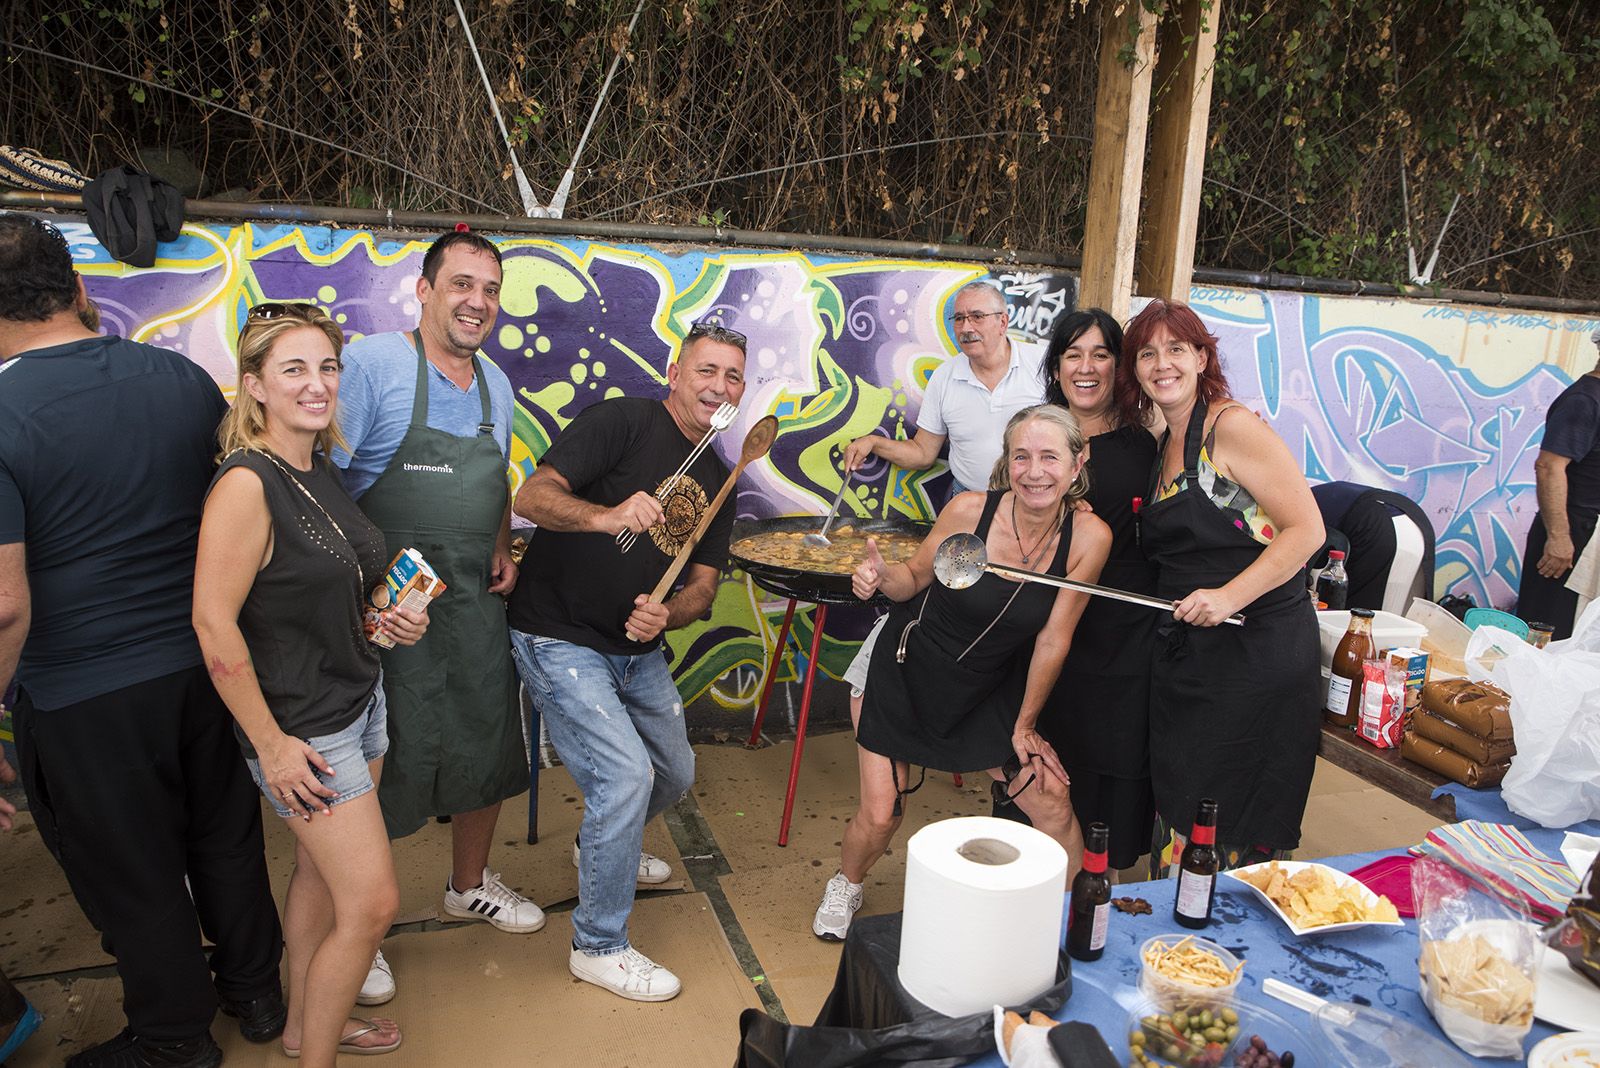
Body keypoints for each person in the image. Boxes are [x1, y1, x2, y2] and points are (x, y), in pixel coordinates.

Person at [0, 213, 284, 1068]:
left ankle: (172, 1039)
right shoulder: (183, 381)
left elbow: (5, 605)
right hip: (205, 663)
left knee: (135, 868)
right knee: (224, 837)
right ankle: (258, 994)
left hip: (83, 692)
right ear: (81, 290)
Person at [194, 303, 431, 1063]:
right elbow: (213, 623)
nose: (317, 383)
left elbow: (317, 594)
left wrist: (386, 619)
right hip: (305, 731)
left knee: (321, 882)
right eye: (293, 368)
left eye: (326, 366)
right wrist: (272, 746)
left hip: (358, 701)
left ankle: (304, 1026)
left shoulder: (315, 467)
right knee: (373, 905)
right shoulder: (247, 484)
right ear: (255, 385)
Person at [507, 320, 748, 1001]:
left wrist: (668, 614)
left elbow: (702, 585)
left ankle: (600, 849)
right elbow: (531, 496)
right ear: (676, 371)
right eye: (707, 370)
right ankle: (598, 945)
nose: (719, 386)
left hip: (637, 649)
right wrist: (604, 516)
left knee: (674, 772)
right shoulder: (624, 421)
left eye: (733, 375)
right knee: (625, 777)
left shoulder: (721, 474)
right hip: (559, 635)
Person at [813, 404, 1112, 941]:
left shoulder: (1090, 537)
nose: (1034, 471)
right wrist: (881, 577)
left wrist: (1024, 725)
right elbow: (911, 581)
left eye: (1049, 457)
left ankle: (1074, 917)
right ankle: (847, 880)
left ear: (1077, 463)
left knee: (1051, 800)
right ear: (1007, 461)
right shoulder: (968, 513)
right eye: (1021, 456)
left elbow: (1054, 636)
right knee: (882, 815)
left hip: (986, 689)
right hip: (905, 671)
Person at [333, 229, 538, 1003]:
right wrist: (354, 595)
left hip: (471, 604)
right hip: (383, 611)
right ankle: (365, 926)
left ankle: (469, 883)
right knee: (386, 757)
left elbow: (497, 482)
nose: (476, 302)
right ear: (422, 291)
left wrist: (501, 543)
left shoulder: (498, 386)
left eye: (489, 289)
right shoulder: (373, 367)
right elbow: (323, 484)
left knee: (487, 734)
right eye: (460, 285)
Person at [1117, 299, 1325, 873]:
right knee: (1182, 799)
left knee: (1231, 816)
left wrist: (1228, 596)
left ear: (1202, 356)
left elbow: (1307, 530)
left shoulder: (1231, 428)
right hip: (1194, 659)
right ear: (1134, 369)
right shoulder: (1167, 441)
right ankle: (1178, 935)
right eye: (1148, 353)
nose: (1163, 364)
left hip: (1255, 655)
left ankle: (1223, 944)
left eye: (1177, 349)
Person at [1010, 308, 1159, 877]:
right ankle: (1040, 897)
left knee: (1106, 786)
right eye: (1073, 354)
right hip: (1045, 630)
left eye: (1101, 354)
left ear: (1118, 367)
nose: (1086, 367)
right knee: (1042, 767)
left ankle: (1103, 903)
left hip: (1120, 639)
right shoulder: (1037, 436)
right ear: (1056, 365)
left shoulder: (1143, 447)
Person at [841, 279, 1046, 500]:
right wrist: (873, 443)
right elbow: (922, 453)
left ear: (1002, 322)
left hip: (1037, 500)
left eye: (977, 317)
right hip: (970, 502)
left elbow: (1078, 432)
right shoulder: (944, 377)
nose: (966, 328)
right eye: (959, 319)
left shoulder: (1043, 364)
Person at [1517, 331, 1600, 641]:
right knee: (1551, 639)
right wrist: (1559, 537)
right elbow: (1549, 466)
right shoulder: (1584, 400)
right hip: (1572, 538)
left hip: (1589, 535)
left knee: (1583, 642)